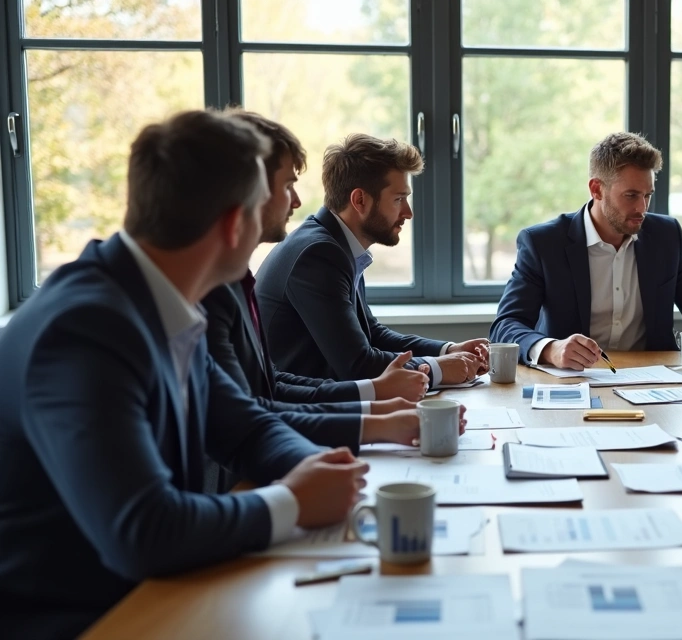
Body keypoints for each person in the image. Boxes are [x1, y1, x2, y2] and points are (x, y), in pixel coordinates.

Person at [0, 110, 368, 639]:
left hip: (158, 594)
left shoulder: (156, 299)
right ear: (232, 224)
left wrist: (318, 467)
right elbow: (143, 531)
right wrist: (295, 501)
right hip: (87, 620)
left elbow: (245, 426)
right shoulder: (83, 330)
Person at [201, 110, 461, 473]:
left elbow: (271, 385)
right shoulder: (317, 253)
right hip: (268, 456)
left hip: (291, 430)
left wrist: (380, 404)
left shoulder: (335, 248)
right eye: (286, 186)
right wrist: (429, 372)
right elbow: (353, 365)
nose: (295, 201)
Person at [489, 132, 682, 369]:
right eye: (631, 195)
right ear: (596, 189)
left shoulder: (666, 236)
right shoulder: (544, 243)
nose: (642, 208)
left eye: (648, 195)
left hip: (655, 380)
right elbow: (507, 324)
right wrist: (551, 349)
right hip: (574, 382)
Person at [255, 133, 488, 385]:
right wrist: (437, 369)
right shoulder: (319, 254)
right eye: (399, 199)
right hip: (304, 411)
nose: (408, 213)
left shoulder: (337, 244)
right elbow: (358, 364)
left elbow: (371, 334)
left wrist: (447, 350)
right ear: (360, 200)